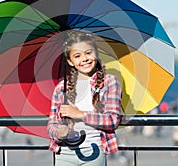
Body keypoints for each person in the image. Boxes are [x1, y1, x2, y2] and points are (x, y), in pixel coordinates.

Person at [47, 31, 122, 166]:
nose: (85, 59)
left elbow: (113, 120)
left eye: (88, 53)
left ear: (96, 54)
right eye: (77, 56)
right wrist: (59, 132)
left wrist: (80, 114)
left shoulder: (110, 82)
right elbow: (51, 125)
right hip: (63, 153)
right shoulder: (61, 88)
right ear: (70, 61)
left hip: (94, 151)